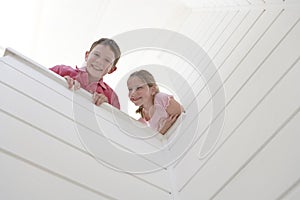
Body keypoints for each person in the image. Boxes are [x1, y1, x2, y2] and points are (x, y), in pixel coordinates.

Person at [50, 38, 121, 109]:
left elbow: (115, 118)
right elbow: (40, 80)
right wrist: (60, 82)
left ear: (112, 69)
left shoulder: (111, 97)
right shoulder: (60, 70)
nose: (99, 61)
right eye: (96, 54)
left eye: (107, 60)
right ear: (87, 56)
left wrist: (106, 107)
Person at [127, 70, 184, 135]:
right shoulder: (143, 115)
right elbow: (154, 140)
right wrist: (162, 130)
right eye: (130, 89)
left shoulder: (161, 99)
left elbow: (185, 116)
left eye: (139, 88)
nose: (133, 93)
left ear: (152, 90)